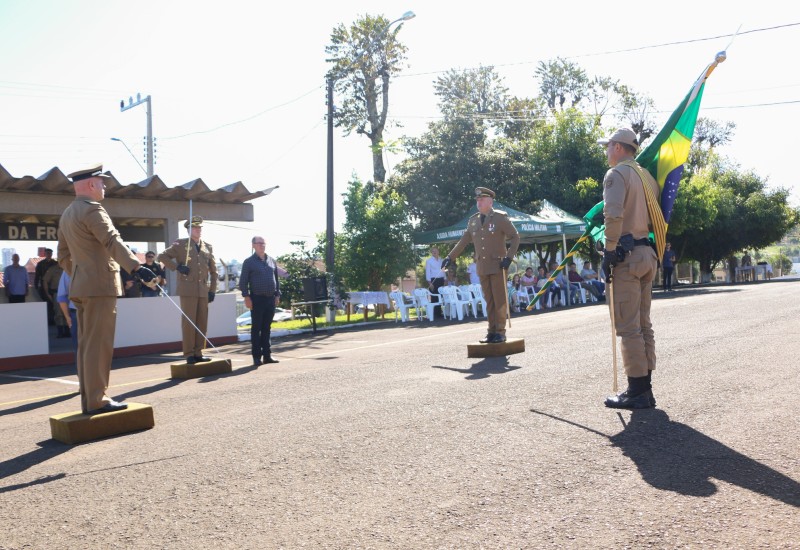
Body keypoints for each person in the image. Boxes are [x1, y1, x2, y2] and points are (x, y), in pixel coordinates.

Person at [57, 163, 142, 414]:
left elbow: (62, 256)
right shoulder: (92, 209)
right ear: (92, 184)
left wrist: (82, 273)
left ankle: (90, 399)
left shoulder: (67, 214)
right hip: (100, 286)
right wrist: (136, 267)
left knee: (86, 345)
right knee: (99, 345)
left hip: (82, 287)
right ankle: (97, 400)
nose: (104, 186)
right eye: (102, 182)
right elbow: (111, 240)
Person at [598, 128, 659, 409]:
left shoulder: (617, 174)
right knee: (643, 324)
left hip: (627, 256)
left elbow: (613, 214)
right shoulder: (647, 177)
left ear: (619, 147)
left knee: (628, 326)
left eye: (608, 146)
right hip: (646, 252)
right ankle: (644, 387)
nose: (607, 151)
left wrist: (609, 250)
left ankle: (637, 391)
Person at [442, 187, 520, 343]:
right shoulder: (473, 221)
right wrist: (450, 257)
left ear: (490, 202)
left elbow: (515, 237)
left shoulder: (500, 218)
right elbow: (463, 241)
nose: (479, 202)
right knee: (489, 301)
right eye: (477, 200)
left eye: (482, 199)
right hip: (482, 267)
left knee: (499, 300)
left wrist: (509, 257)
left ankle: (500, 332)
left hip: (498, 266)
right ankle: (491, 331)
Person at [159, 215, 218, 364]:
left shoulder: (207, 246)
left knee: (202, 322)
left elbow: (214, 271)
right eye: (195, 227)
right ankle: (189, 353)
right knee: (189, 322)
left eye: (199, 227)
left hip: (203, 290)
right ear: (188, 230)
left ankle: (198, 352)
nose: (198, 230)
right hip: (187, 289)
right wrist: (177, 267)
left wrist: (212, 290)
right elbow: (162, 256)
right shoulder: (180, 244)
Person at [239, 235, 281, 366]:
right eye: (259, 243)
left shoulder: (271, 260)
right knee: (256, 328)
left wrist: (277, 295)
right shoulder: (249, 262)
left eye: (263, 243)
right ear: (253, 245)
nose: (262, 245)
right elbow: (243, 282)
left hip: (270, 299)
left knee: (267, 328)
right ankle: (257, 356)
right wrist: (246, 297)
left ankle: (267, 356)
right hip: (256, 299)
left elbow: (276, 280)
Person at [43, 263, 69, 337]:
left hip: (69, 294)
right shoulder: (53, 269)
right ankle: (60, 332)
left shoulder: (69, 267)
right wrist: (47, 293)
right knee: (58, 313)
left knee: (68, 312)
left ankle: (67, 331)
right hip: (57, 293)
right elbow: (45, 281)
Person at [34, 248, 58, 324]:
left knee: (55, 304)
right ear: (45, 254)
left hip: (54, 287)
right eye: (47, 253)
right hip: (44, 287)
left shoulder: (55, 263)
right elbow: (37, 276)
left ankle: (54, 320)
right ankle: (48, 320)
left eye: (50, 253)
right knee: (46, 304)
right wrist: (36, 286)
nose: (49, 255)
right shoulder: (40, 264)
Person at [56, 269, 78, 351]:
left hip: (96, 312)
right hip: (77, 313)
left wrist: (67, 317)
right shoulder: (69, 269)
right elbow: (62, 297)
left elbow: (62, 296)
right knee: (79, 346)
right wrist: (67, 317)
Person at [425, 246, 446, 319]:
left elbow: (443, 270)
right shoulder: (429, 261)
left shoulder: (441, 260)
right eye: (433, 251)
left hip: (441, 280)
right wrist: (429, 283)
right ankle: (435, 314)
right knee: (434, 297)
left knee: (440, 296)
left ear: (438, 251)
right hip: (433, 280)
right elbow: (427, 272)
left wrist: (445, 279)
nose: (434, 252)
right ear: (431, 252)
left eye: (436, 251)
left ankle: (439, 313)